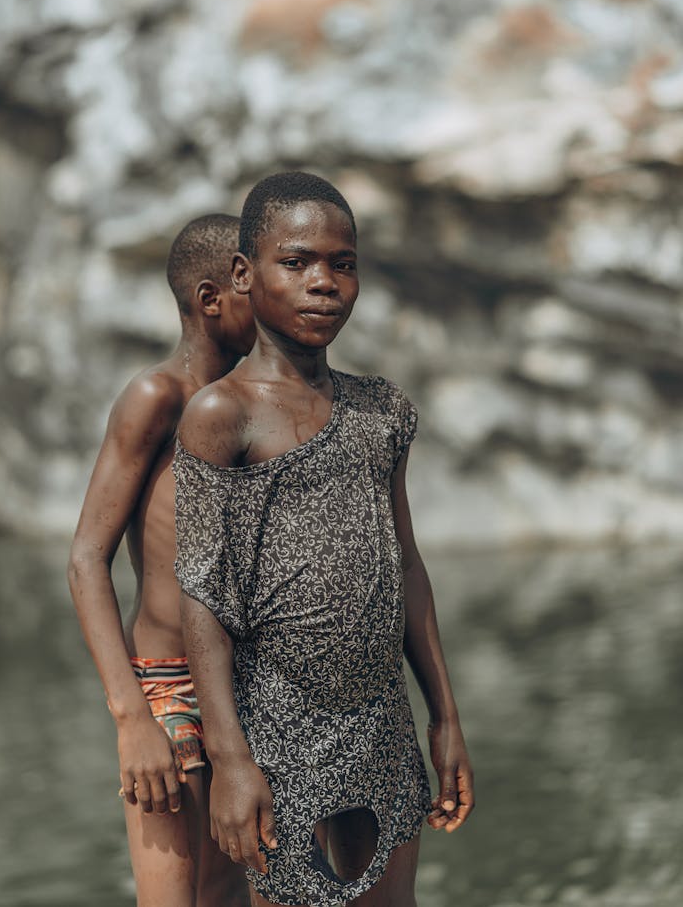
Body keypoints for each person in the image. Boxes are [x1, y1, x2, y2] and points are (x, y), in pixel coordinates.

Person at [174, 172, 474, 907]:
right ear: (245, 275)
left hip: (380, 713)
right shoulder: (224, 413)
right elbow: (202, 597)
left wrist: (444, 716)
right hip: (274, 718)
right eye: (297, 262)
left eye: (343, 265)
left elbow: (405, 566)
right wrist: (231, 758)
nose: (324, 284)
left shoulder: (381, 411)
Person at [67, 214, 255, 907]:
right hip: (167, 688)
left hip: (245, 684)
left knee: (231, 891)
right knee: (172, 897)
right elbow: (87, 558)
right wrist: (132, 721)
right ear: (211, 299)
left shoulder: (255, 407)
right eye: (253, 287)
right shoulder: (157, 397)